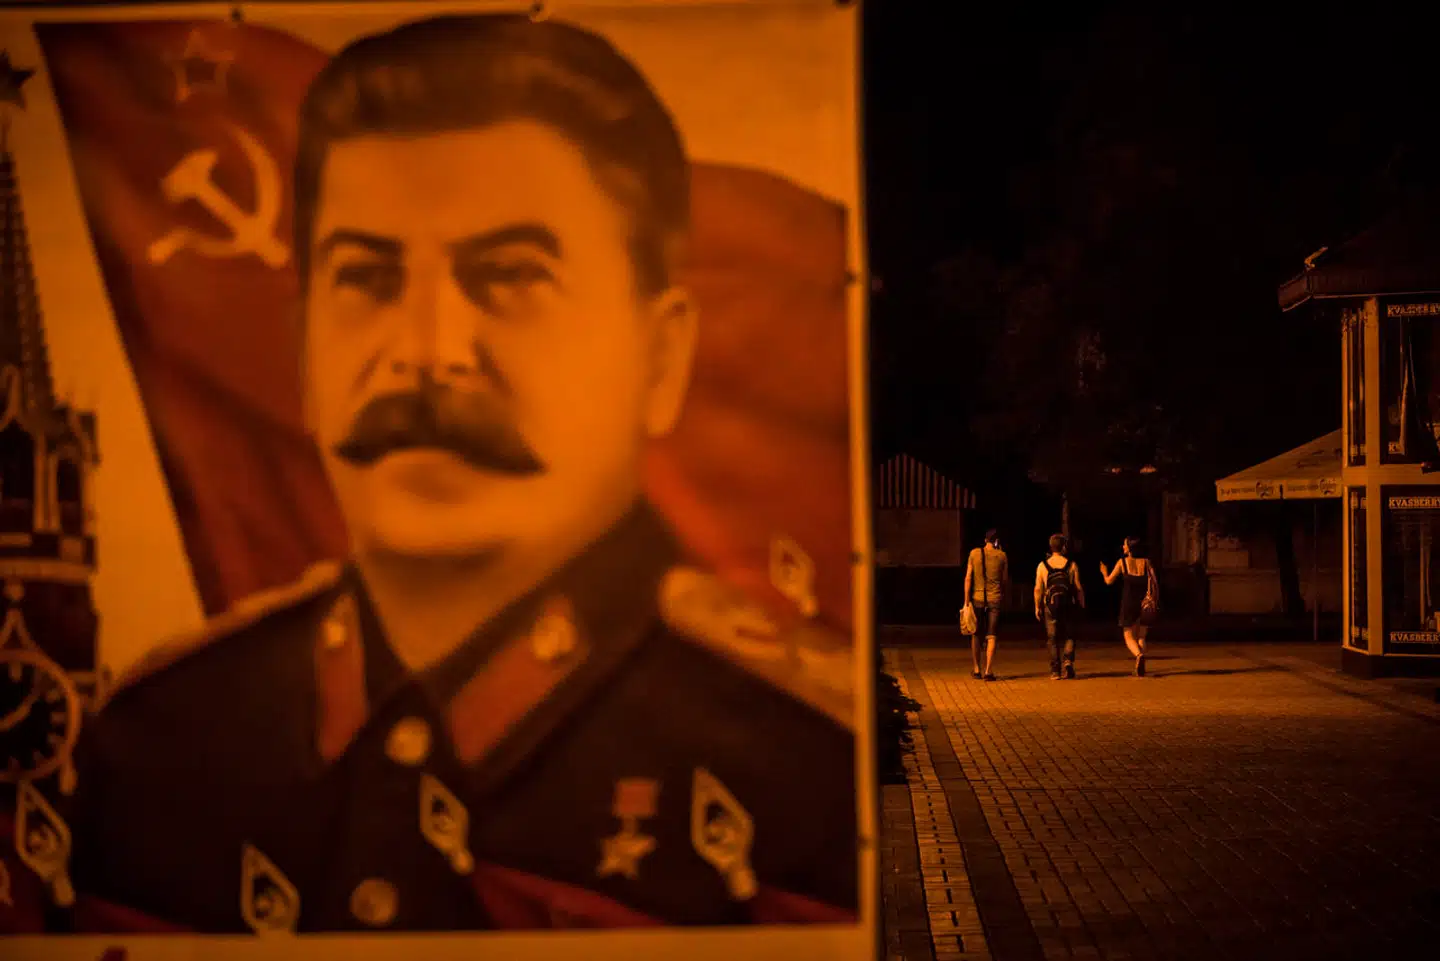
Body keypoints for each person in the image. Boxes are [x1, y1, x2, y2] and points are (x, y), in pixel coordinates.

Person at [6, 14, 859, 935]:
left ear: (661, 357)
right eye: (368, 278)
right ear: (303, 346)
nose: (424, 352)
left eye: (508, 275)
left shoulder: (803, 771)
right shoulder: (157, 745)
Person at [1100, 536, 1158, 677]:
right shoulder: (1146, 563)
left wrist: (1103, 572)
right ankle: (1141, 661)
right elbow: (1155, 583)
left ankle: (1139, 656)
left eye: (1125, 545)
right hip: (1145, 603)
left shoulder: (1123, 563)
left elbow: (1109, 581)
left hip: (1128, 603)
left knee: (1128, 635)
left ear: (1130, 548)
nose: (1123, 547)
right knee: (1142, 636)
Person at [1034, 534, 1085, 680]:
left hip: (1050, 606)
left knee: (1052, 638)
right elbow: (1078, 587)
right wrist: (1081, 603)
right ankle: (1068, 662)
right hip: (1068, 604)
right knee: (1070, 635)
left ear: (1051, 547)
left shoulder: (1043, 565)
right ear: (1063, 547)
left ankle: (1055, 670)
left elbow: (1038, 588)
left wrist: (1037, 606)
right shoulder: (1071, 565)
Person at [963, 529, 1008, 681]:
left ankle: (976, 669)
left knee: (976, 634)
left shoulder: (974, 553)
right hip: (995, 599)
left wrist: (966, 601)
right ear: (997, 541)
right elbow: (1005, 580)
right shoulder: (1002, 556)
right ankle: (988, 671)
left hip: (977, 598)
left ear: (985, 540)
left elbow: (968, 578)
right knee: (991, 635)